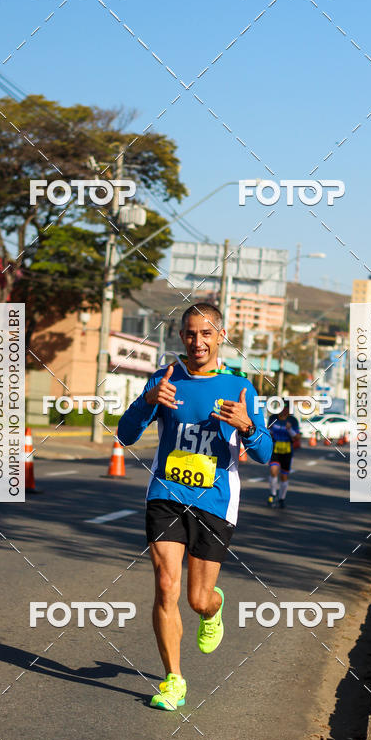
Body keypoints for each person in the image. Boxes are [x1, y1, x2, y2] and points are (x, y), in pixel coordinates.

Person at [117, 303, 272, 711]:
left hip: (215, 501)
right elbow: (126, 434)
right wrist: (149, 400)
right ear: (180, 336)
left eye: (206, 333)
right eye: (189, 333)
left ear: (221, 336)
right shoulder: (165, 379)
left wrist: (249, 427)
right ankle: (174, 680)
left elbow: (265, 453)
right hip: (167, 493)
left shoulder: (240, 389)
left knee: (197, 598)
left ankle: (212, 608)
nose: (197, 341)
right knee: (165, 584)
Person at [267, 403, 297, 508]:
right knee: (273, 471)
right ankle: (273, 494)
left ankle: (282, 498)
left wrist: (290, 430)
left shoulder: (293, 420)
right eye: (282, 408)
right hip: (275, 448)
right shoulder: (273, 418)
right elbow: (268, 430)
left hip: (287, 450)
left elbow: (297, 437)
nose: (284, 410)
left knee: (284, 476)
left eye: (286, 408)